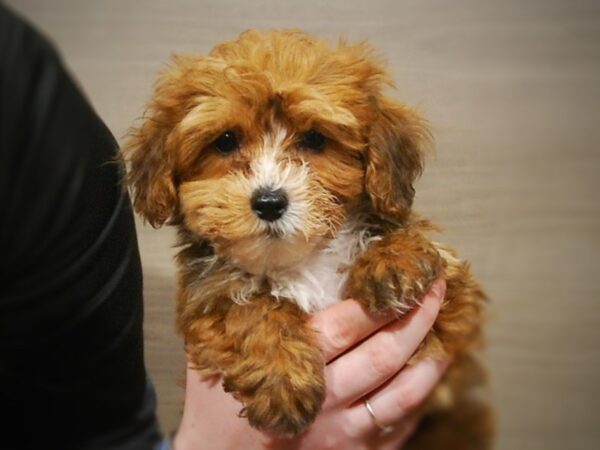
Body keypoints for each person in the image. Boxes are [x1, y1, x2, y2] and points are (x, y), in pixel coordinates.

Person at [0, 5, 448, 449]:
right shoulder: (222, 301)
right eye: (226, 141)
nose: (270, 188)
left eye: (313, 140)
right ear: (168, 172)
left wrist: (407, 260)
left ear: (377, 158)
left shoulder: (388, 253)